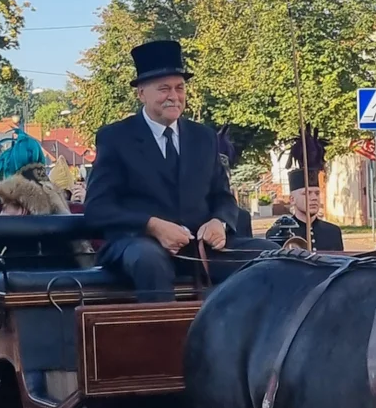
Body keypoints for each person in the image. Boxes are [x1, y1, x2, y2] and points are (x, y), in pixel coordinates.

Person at [84, 39, 276, 302]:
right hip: (137, 245)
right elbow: (97, 209)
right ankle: (165, 342)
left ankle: (251, 338)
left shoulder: (204, 137)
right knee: (149, 260)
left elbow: (223, 197)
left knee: (272, 255)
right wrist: (152, 226)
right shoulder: (116, 138)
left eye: (179, 88)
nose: (174, 96)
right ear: (141, 93)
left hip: (200, 248)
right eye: (164, 89)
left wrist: (218, 222)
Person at [0, 128, 92, 268]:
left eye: (5, 207)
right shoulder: (68, 235)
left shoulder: (8, 242)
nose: (1, 213)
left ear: (22, 209)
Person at [264, 127, 344, 251]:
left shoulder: (333, 232)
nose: (313, 198)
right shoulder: (278, 233)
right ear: (292, 199)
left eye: (316, 193)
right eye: (306, 193)